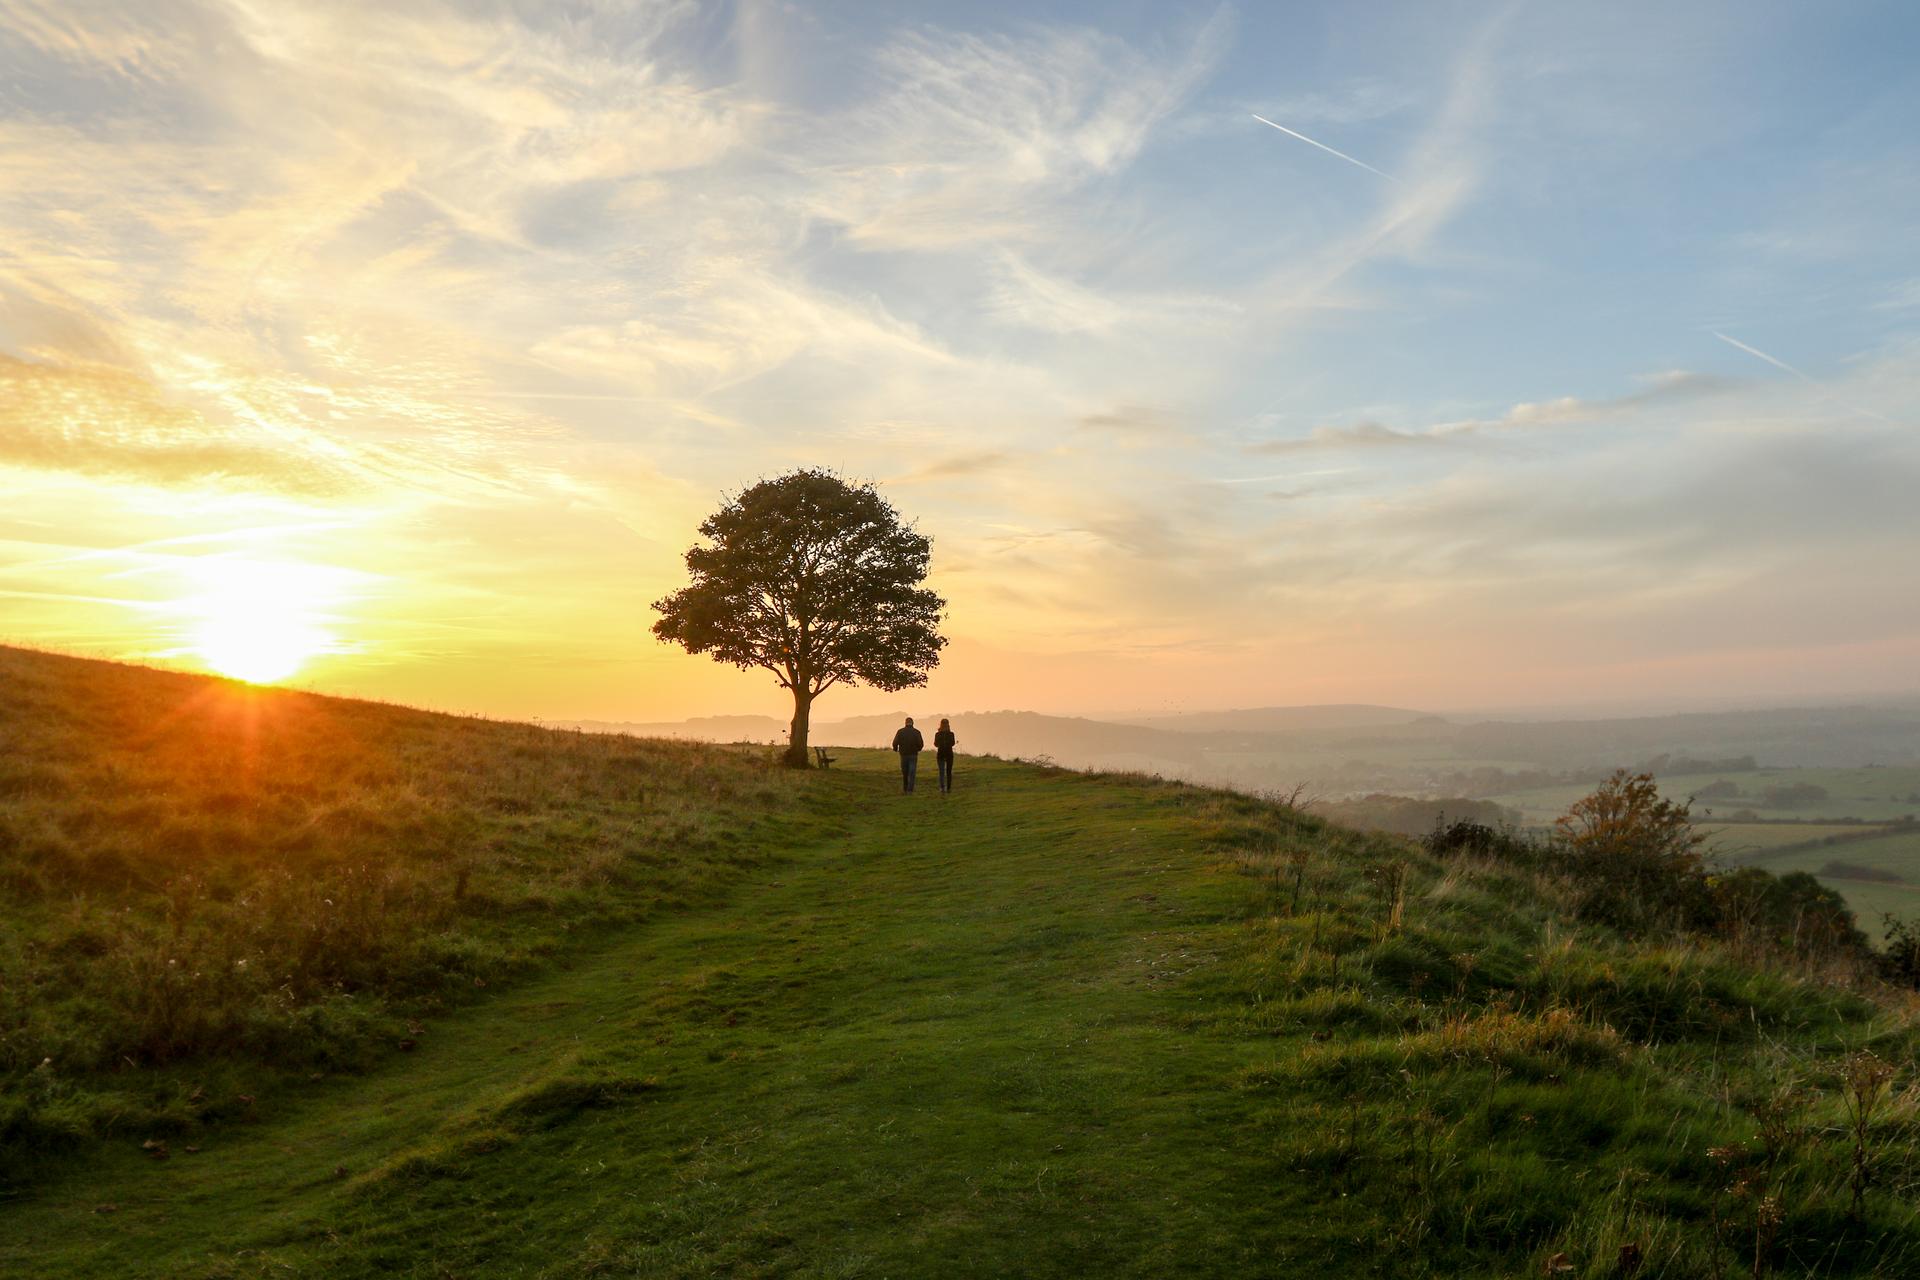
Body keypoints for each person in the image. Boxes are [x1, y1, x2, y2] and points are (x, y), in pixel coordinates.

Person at [890, 716, 924, 794]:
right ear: (912, 723)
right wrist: (918, 749)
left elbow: (895, 742)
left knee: (905, 772)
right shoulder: (917, 732)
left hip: (904, 754)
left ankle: (905, 788)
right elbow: (921, 743)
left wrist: (895, 749)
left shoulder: (900, 731)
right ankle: (910, 790)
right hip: (913, 754)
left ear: (905, 723)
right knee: (912, 772)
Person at [933, 718, 957, 794]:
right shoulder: (951, 734)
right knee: (949, 772)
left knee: (941, 772)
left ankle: (942, 787)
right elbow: (953, 743)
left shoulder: (937, 734)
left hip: (940, 754)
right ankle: (949, 788)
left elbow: (936, 744)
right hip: (949, 754)